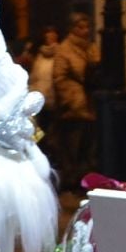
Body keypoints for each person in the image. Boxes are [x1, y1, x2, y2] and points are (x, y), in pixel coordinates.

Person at [50, 11, 101, 185]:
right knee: (73, 147)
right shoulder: (65, 50)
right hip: (75, 108)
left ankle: (87, 179)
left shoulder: (91, 47)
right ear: (72, 29)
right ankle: (72, 181)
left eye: (87, 27)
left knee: (90, 146)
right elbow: (60, 78)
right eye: (81, 27)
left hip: (91, 105)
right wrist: (73, 100)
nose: (85, 30)